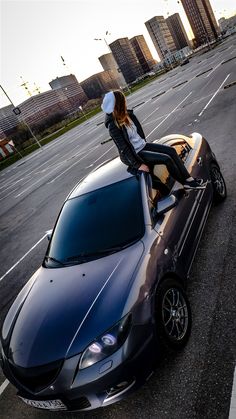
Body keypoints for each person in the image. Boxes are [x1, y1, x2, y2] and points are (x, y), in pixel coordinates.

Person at [101, 90, 206, 190]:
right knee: (166, 159)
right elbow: (123, 148)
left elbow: (138, 133)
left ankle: (189, 179)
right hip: (136, 153)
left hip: (142, 145)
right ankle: (185, 183)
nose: (125, 102)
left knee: (171, 151)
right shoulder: (113, 125)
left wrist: (142, 141)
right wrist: (138, 165)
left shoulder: (128, 115)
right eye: (123, 100)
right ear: (118, 103)